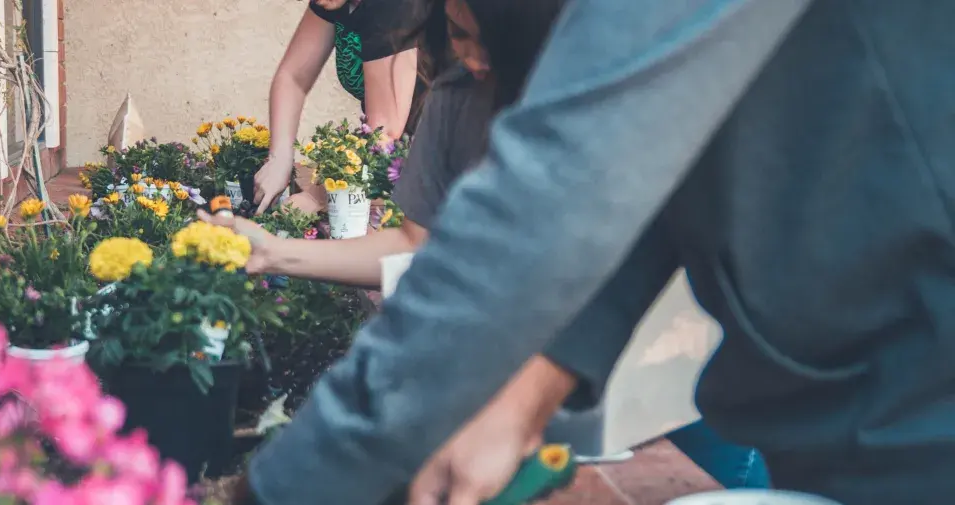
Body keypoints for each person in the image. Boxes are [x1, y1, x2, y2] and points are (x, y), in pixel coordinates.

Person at [230, 0, 955, 504]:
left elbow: (558, 188)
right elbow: (641, 184)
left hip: (918, 409)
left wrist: (286, 486)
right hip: (835, 402)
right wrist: (520, 403)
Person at [251, 0, 432, 215]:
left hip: (446, 152)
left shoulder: (394, 5)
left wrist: (316, 196)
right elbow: (293, 78)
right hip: (401, 155)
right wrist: (279, 158)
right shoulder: (332, 1)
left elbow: (384, 133)